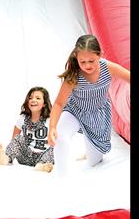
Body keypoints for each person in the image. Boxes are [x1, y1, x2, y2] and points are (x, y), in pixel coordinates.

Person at [47, 34, 130, 176]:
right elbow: (59, 103)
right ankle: (61, 180)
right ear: (77, 58)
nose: (87, 66)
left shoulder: (107, 67)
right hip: (75, 111)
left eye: (91, 61)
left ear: (99, 55)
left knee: (94, 161)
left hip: (97, 115)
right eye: (82, 62)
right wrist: (52, 127)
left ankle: (90, 148)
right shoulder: (73, 75)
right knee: (60, 136)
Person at [0, 86, 55, 172]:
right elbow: (14, 139)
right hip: (26, 156)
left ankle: (41, 166)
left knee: (54, 147)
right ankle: (5, 159)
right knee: (18, 138)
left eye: (38, 98)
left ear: (44, 103)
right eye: (30, 98)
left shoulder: (50, 120)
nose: (33, 100)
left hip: (43, 156)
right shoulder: (22, 118)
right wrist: (13, 151)